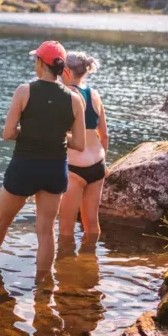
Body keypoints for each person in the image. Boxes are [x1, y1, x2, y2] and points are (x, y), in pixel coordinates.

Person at [0, 41, 87, 281]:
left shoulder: (23, 91)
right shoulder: (75, 99)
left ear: (41, 63)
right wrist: (55, 135)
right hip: (54, 170)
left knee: (0, 223)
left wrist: (27, 133)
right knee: (46, 232)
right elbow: (79, 144)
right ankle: (42, 288)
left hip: (24, 168)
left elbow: (7, 134)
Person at [59, 52, 109, 237]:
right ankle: (89, 262)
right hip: (97, 165)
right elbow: (104, 136)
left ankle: (66, 265)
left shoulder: (67, 96)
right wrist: (105, 164)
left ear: (66, 71)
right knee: (92, 223)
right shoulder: (94, 94)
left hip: (74, 169)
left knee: (66, 228)